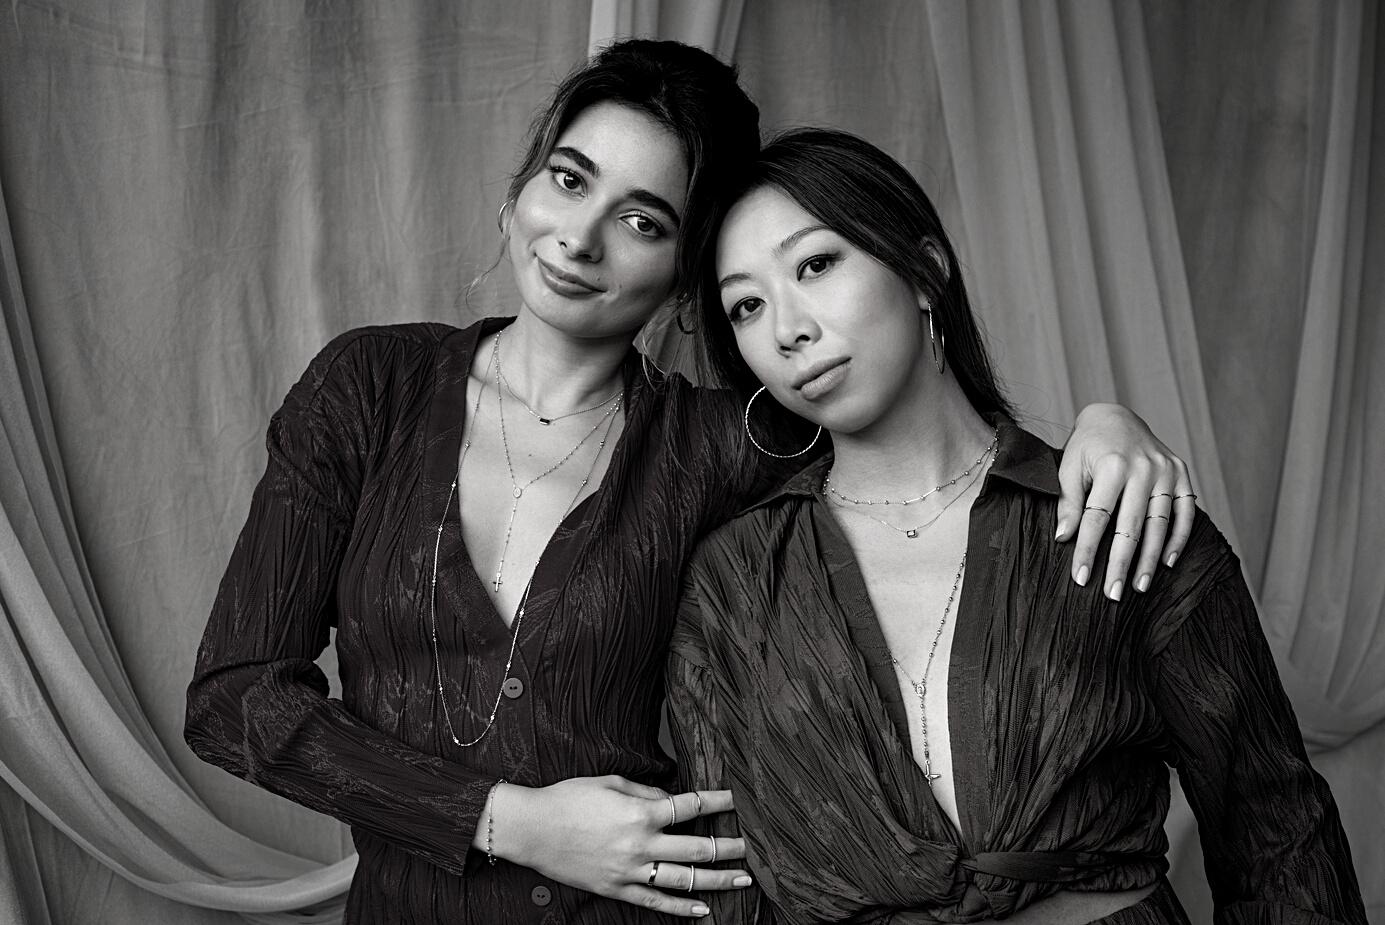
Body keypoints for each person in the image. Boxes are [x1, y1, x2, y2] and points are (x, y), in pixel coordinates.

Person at [185, 41, 1199, 923]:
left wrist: (1102, 428)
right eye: (569, 180)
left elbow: (924, 442)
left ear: (685, 276)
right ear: (518, 191)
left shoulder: (727, 446)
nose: (579, 238)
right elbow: (233, 698)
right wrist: (507, 821)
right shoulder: (370, 387)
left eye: (643, 221)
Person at [667, 127, 1367, 924]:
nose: (787, 328)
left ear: (925, 269)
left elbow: (1279, 838)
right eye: (747, 305)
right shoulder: (734, 578)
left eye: (816, 264)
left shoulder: (1114, 514)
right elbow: (722, 887)